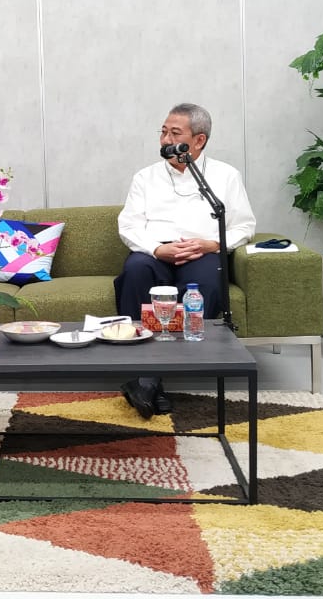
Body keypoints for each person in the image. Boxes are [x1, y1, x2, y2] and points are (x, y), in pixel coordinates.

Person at [114, 103, 256, 418]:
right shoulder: (145, 177)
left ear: (199, 140)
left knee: (206, 282)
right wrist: (156, 249)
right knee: (135, 270)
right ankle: (145, 373)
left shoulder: (225, 176)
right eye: (163, 132)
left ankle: (150, 380)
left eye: (174, 133)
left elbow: (244, 226)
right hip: (156, 252)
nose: (165, 140)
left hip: (202, 252)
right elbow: (129, 226)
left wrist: (212, 244)